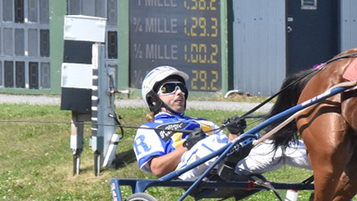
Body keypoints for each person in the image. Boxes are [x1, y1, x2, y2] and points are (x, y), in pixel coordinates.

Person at [133, 66, 310, 181]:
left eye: (181, 88)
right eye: (169, 88)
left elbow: (227, 145)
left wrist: (235, 134)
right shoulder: (149, 129)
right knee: (208, 144)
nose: (179, 92)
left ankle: (334, 166)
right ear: (153, 100)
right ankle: (228, 157)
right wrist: (187, 146)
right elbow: (157, 168)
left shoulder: (203, 123)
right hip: (187, 170)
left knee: (282, 145)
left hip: (230, 166)